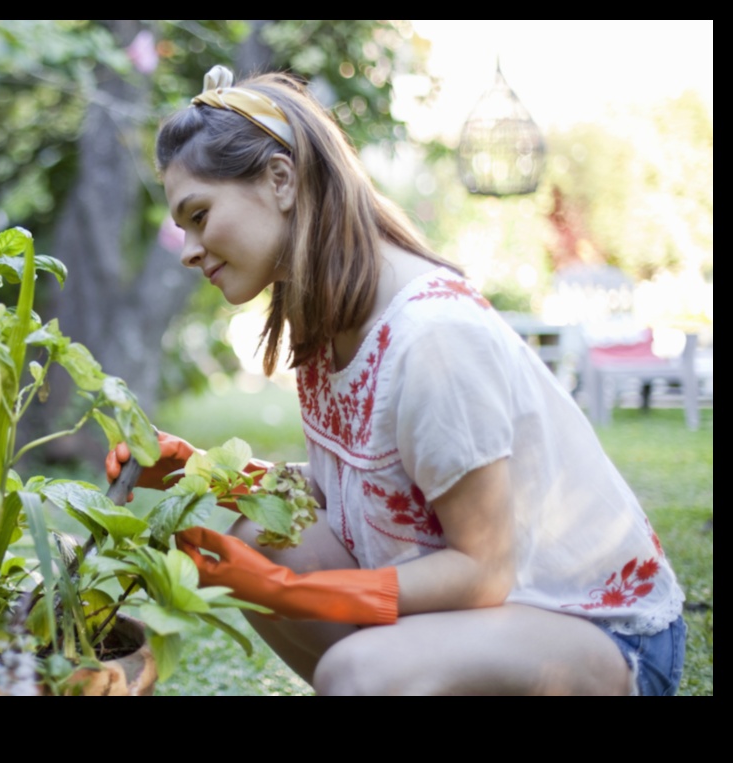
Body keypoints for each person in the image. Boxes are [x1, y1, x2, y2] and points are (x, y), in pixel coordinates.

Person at [106, 66, 686, 695]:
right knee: (261, 529)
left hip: (594, 633)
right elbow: (352, 495)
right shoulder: (327, 320)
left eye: (198, 214)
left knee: (359, 672)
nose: (188, 249)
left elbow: (481, 570)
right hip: (495, 619)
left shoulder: (432, 336)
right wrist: (206, 474)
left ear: (280, 179)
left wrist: (289, 592)